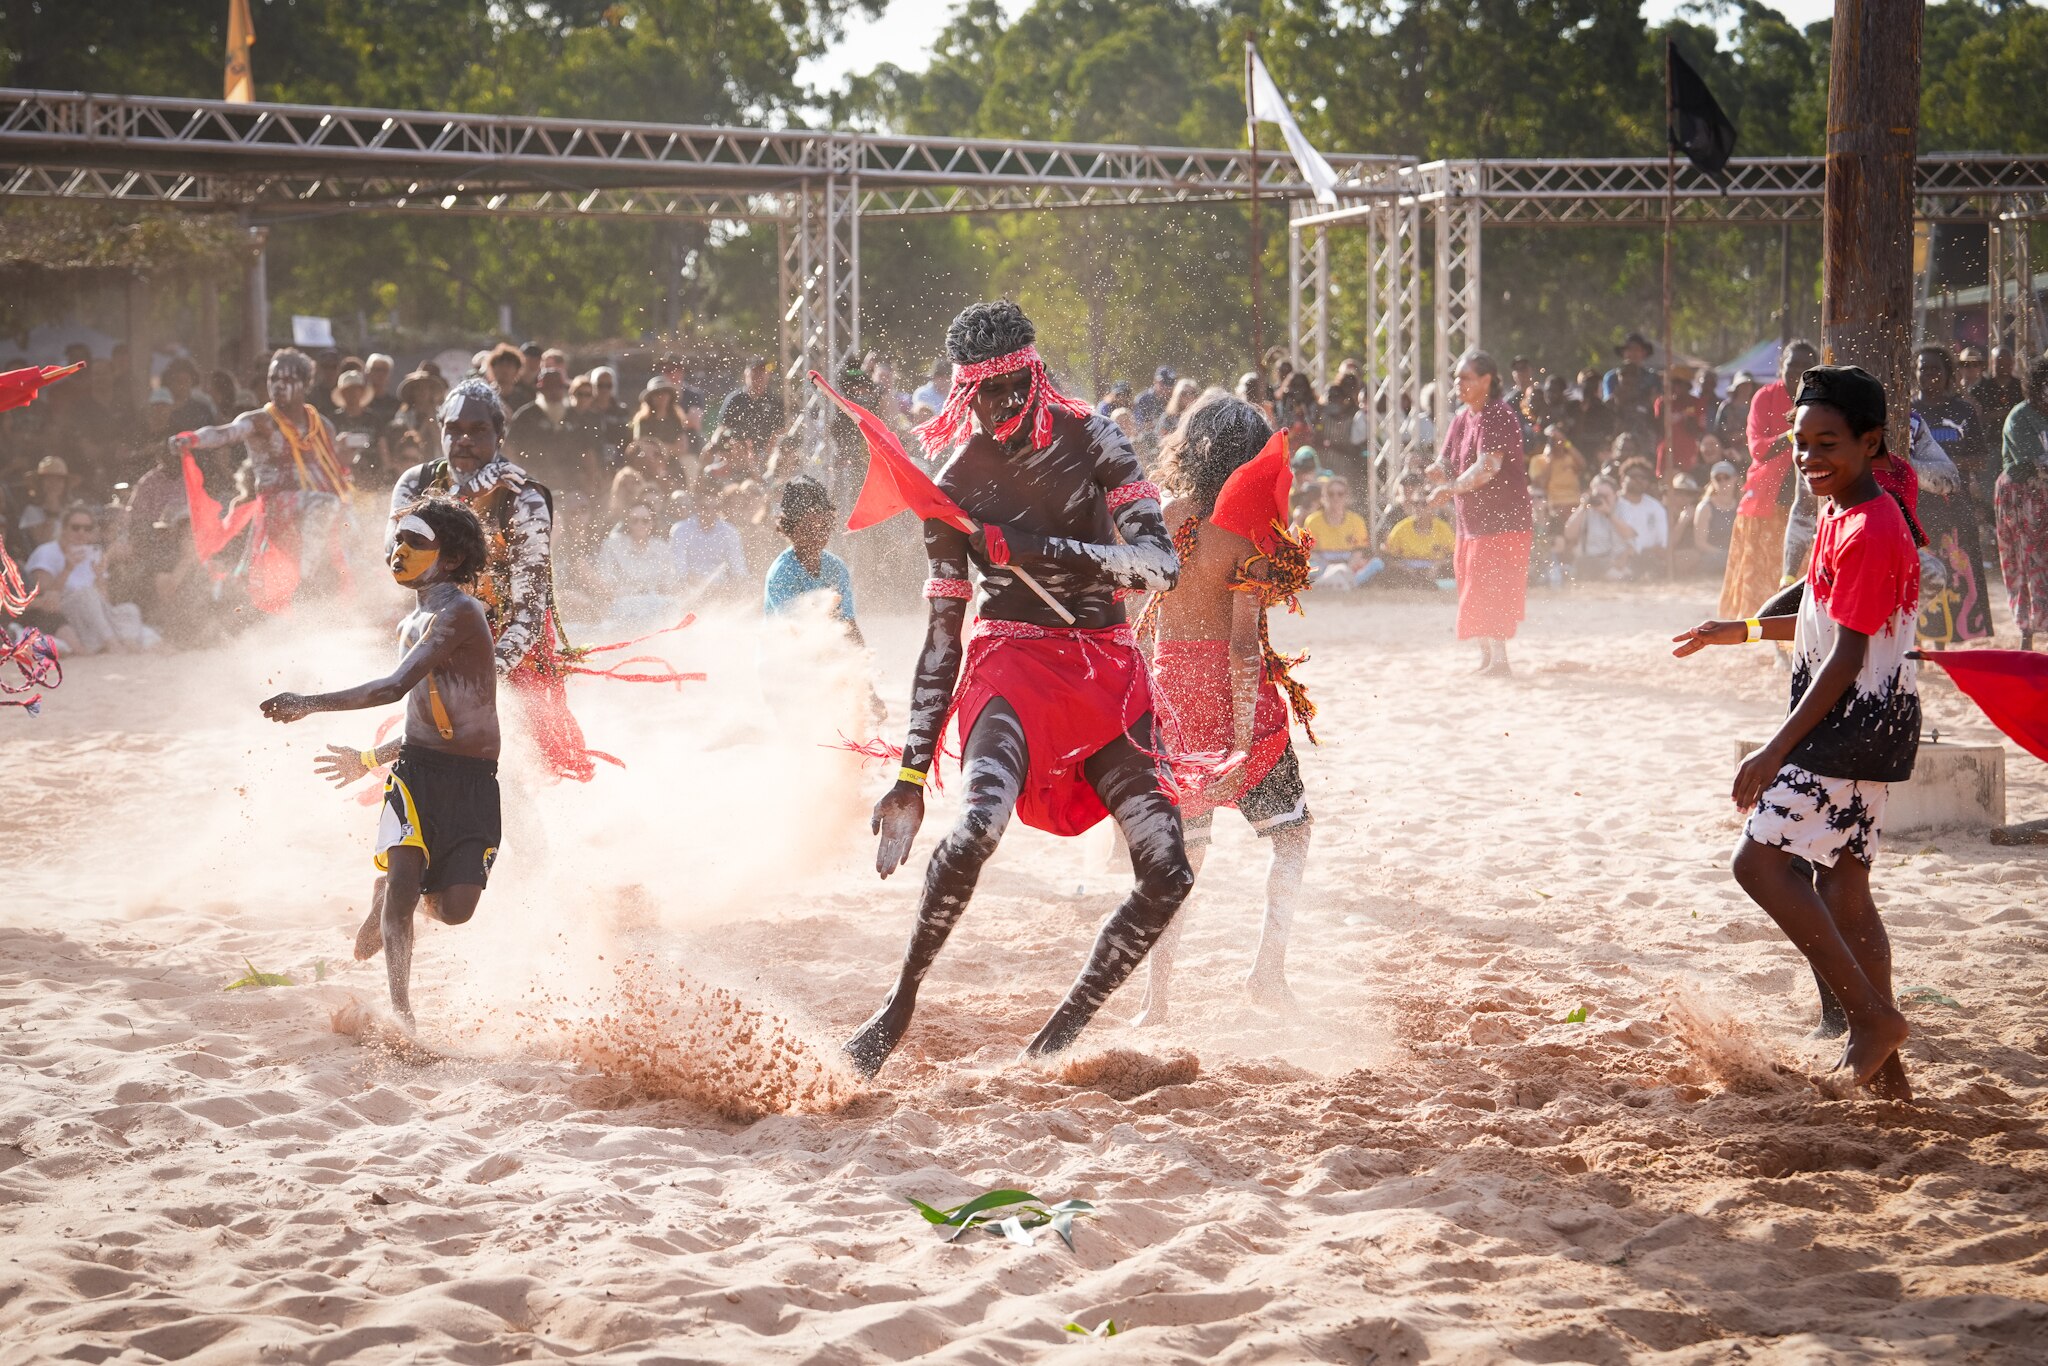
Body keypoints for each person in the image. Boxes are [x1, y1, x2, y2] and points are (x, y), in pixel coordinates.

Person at [845, 299, 1187, 1078]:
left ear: (1034, 374)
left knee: (1169, 872)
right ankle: (898, 1004)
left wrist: (1032, 546)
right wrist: (907, 774)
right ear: (963, 392)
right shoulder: (951, 486)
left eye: (1009, 391)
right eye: (980, 396)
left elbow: (1162, 566)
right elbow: (941, 639)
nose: (996, 412)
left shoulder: (1096, 437)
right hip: (1011, 666)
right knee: (973, 833)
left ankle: (1055, 1041)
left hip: (1105, 667)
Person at [1671, 364, 1918, 1100]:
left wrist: (1774, 748)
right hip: (1870, 723)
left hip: (1850, 721)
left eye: (1829, 443)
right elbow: (1823, 619)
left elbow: (1845, 656)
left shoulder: (1872, 524)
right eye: (1802, 443)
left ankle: (1872, 1022)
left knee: (1760, 864)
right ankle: (1889, 1072)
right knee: (1845, 887)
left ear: (1871, 443)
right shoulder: (1841, 512)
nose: (1810, 457)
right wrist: (1738, 630)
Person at [263, 497, 499, 1031]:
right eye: (398, 540)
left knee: (457, 908)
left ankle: (399, 891)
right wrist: (371, 759)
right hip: (415, 775)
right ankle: (402, 1011)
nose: (400, 551)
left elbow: (394, 689)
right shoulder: (411, 622)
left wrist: (310, 703)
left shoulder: (460, 612)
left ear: (453, 559)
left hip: (473, 781)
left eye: (416, 541)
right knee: (402, 891)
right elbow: (419, 719)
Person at [1136, 398, 1314, 1022]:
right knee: (1291, 836)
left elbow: (1138, 616)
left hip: (1171, 696)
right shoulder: (1249, 534)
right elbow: (1243, 648)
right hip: (1234, 702)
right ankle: (1267, 972)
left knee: (1179, 859)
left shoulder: (1161, 516)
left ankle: (1156, 1002)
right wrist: (1240, 745)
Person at [388, 378, 606, 783]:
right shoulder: (415, 483)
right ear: (439, 430)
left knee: (511, 768)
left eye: (478, 430)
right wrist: (466, 494)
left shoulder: (524, 499)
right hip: (437, 636)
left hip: (511, 646)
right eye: (453, 429)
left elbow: (529, 613)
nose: (464, 440)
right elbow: (399, 563)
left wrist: (482, 678)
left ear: (500, 434)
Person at [172, 347, 352, 601]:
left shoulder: (322, 426)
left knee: (352, 519)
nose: (278, 386)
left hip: (316, 510)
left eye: (287, 380)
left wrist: (346, 458)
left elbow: (334, 471)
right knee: (326, 503)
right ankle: (306, 583)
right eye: (273, 379)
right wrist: (192, 439)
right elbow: (224, 433)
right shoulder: (260, 422)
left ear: (305, 385)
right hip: (277, 508)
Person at [1428, 349, 1532, 674]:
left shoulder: (1498, 414)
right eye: (1457, 378)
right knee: (1472, 589)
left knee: (1490, 589)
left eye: (1466, 378)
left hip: (1502, 523)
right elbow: (1446, 460)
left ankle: (1500, 661)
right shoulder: (1462, 417)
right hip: (1472, 524)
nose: (1459, 384)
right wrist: (1435, 470)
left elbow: (1488, 467)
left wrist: (1451, 487)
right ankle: (1487, 658)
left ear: (1486, 380)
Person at [1720, 341, 1817, 619]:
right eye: (1793, 365)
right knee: (1763, 575)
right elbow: (1758, 450)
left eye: (1805, 365)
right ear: (1780, 368)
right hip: (1767, 501)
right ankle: (1770, 639)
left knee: (1800, 575)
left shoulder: (1819, 398)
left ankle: (1795, 632)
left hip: (1808, 501)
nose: (1798, 371)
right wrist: (1793, 433)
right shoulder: (1764, 396)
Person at [1910, 345, 1995, 645]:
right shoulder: (1906, 412)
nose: (1929, 374)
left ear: (1947, 374)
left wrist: (1945, 466)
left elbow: (1981, 459)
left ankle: (1943, 642)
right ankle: (1915, 642)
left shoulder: (1963, 410)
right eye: (1923, 368)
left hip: (1954, 504)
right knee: (1918, 570)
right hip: (1916, 506)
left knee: (1954, 571)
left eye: (1935, 368)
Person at [22, 503, 161, 654]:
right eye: (76, 527)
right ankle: (113, 644)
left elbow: (104, 601)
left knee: (129, 609)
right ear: (64, 528)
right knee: (86, 593)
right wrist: (67, 569)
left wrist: (100, 576)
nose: (81, 533)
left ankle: (130, 645)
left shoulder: (93, 554)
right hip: (62, 613)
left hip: (93, 615)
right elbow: (46, 594)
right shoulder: (46, 552)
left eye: (87, 528)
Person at [1996, 354, 2048, 651]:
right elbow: (2034, 464)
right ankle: (2027, 634)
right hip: (2022, 500)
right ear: (2037, 384)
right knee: (2027, 563)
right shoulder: (2020, 416)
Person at [763, 475, 860, 635]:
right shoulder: (782, 573)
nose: (816, 536)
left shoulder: (836, 567)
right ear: (790, 529)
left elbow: (848, 625)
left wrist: (862, 655)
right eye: (808, 528)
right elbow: (795, 632)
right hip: (785, 656)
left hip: (828, 654)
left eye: (823, 527)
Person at [595, 502, 680, 627]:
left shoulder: (661, 547)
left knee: (672, 607)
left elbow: (668, 584)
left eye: (645, 521)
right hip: (623, 604)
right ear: (627, 523)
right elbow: (605, 582)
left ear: (652, 523)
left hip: (653, 603)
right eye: (635, 520)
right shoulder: (612, 545)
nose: (640, 525)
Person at [1367, 484, 1457, 588]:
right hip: (1408, 570)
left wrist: (1437, 566)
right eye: (1415, 504)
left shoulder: (1443, 528)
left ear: (1433, 507)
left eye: (1424, 504)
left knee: (1452, 574)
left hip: (1434, 569)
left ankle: (1434, 585)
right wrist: (1406, 569)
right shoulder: (1401, 528)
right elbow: (1387, 556)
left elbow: (1453, 556)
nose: (1418, 507)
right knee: (1389, 573)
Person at [669, 490, 748, 598]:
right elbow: (680, 569)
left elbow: (739, 568)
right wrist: (705, 586)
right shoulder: (681, 530)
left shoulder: (730, 531)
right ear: (696, 507)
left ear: (720, 509)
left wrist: (728, 589)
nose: (709, 512)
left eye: (715, 508)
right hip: (688, 589)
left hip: (721, 590)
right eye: (704, 507)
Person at [1300, 476, 1373, 591]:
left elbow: (1359, 552)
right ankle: (1339, 582)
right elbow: (1309, 552)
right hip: (1322, 564)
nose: (1335, 497)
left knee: (1377, 564)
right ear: (1323, 497)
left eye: (1340, 494)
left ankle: (1327, 582)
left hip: (1350, 565)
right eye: (1331, 494)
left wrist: (1346, 568)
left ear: (1347, 497)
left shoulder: (1357, 521)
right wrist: (1331, 569)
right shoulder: (1312, 521)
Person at [717, 358, 786, 476]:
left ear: (768, 375)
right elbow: (723, 427)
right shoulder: (735, 399)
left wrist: (765, 454)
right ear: (746, 374)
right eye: (755, 372)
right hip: (737, 450)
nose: (758, 376)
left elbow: (780, 431)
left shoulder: (775, 401)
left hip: (765, 453)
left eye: (762, 372)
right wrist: (719, 444)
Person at [1613, 458, 1670, 576]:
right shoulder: (1612, 504)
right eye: (1634, 476)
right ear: (1622, 479)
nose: (1639, 480)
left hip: (1648, 557)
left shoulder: (1656, 507)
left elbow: (1662, 543)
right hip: (1616, 557)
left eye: (1644, 477)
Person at [1692, 460, 1741, 576]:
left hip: (1736, 555)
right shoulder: (1705, 507)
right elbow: (1700, 543)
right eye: (1718, 479)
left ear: (1734, 479)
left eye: (1726, 477)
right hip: (1713, 557)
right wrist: (1726, 554)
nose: (1723, 482)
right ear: (1712, 482)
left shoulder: (1741, 505)